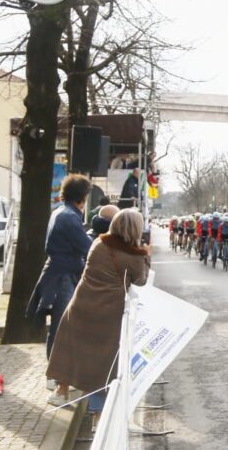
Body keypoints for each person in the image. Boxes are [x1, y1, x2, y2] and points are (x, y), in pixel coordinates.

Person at [45, 209, 150, 414]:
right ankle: (98, 412)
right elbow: (141, 280)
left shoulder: (98, 244)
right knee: (102, 360)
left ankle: (61, 390)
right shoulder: (134, 256)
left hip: (81, 304)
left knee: (72, 350)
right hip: (109, 312)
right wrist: (146, 255)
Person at [27, 174, 93, 363]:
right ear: (81, 197)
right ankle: (55, 374)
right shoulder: (70, 217)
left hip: (58, 272)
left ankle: (57, 372)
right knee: (62, 324)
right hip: (63, 276)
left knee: (60, 323)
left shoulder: (60, 212)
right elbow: (87, 248)